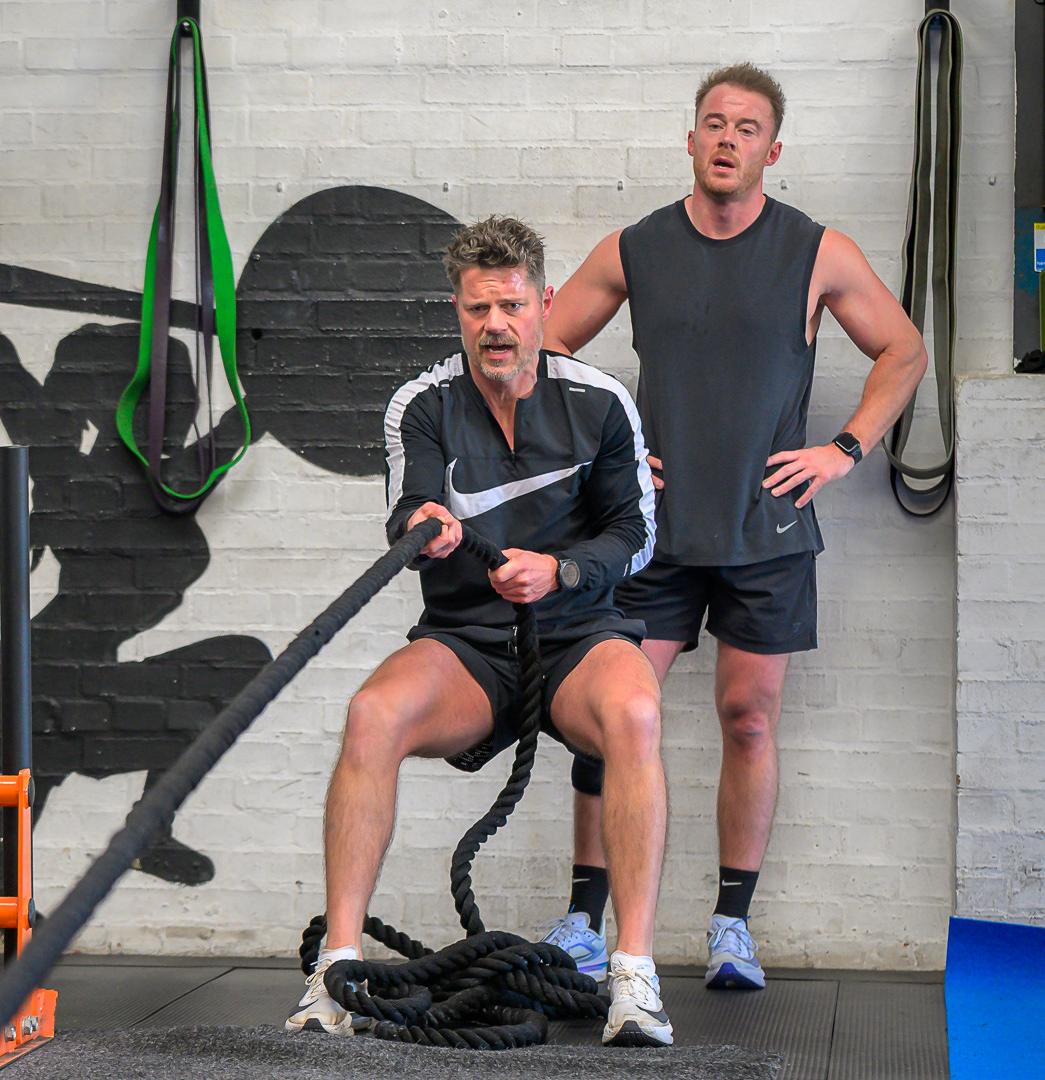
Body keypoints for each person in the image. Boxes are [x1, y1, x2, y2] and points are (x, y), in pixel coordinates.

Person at [538, 62, 929, 990]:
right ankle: (584, 922)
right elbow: (545, 348)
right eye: (714, 123)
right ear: (690, 139)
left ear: (772, 150)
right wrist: (606, 455)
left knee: (748, 720)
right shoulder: (636, 247)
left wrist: (843, 448)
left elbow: (904, 349)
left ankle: (730, 927)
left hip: (768, 531)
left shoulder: (817, 251)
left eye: (747, 128)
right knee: (609, 717)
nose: (727, 139)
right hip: (652, 531)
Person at [284, 215, 673, 1047]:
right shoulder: (421, 405)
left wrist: (560, 571)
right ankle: (335, 973)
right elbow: (408, 509)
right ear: (457, 312)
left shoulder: (602, 402)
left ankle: (633, 975)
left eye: (511, 306)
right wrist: (425, 524)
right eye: (477, 309)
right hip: (467, 644)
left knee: (637, 715)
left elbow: (636, 535)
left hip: (577, 637)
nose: (495, 325)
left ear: (544, 304)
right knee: (371, 715)